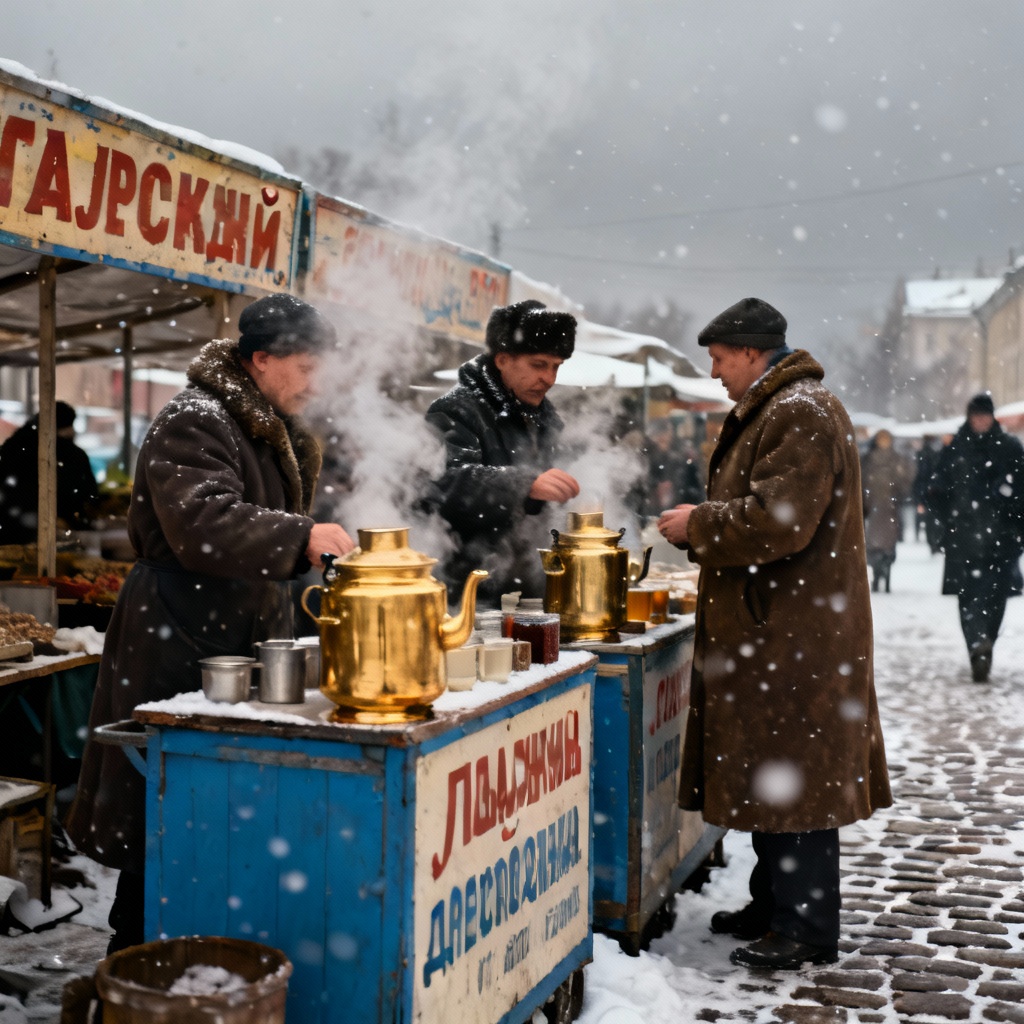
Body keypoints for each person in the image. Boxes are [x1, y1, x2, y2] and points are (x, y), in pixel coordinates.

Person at [66, 294, 356, 954]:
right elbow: (202, 523)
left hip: (234, 628)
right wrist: (300, 535)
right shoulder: (195, 419)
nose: (317, 384)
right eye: (307, 367)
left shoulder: (264, 424)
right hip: (179, 631)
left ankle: (204, 952)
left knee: (215, 812)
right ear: (262, 360)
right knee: (164, 811)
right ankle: (137, 964)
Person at [656, 297, 892, 970]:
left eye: (719, 359)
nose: (714, 372)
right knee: (770, 775)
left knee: (798, 782)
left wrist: (699, 524)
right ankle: (773, 904)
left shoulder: (800, 411)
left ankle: (806, 928)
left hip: (795, 636)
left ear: (752, 353)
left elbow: (780, 519)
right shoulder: (781, 407)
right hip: (777, 630)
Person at [425, 299, 580, 606]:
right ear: (503, 359)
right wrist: (522, 484)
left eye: (556, 367)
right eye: (539, 365)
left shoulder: (546, 420)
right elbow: (444, 484)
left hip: (529, 587)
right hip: (470, 592)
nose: (549, 379)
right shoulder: (455, 410)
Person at [927, 392, 1024, 683]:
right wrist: (945, 521)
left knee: (996, 598)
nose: (980, 420)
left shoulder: (1009, 448)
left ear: (992, 417)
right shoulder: (956, 447)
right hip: (964, 538)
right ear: (969, 417)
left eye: (984, 415)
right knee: (968, 597)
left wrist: (1014, 519)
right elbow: (937, 489)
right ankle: (976, 645)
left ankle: (986, 642)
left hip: (1002, 540)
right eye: (976, 415)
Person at [0, 400, 100, 542]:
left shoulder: (14, 446)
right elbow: (88, 494)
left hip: (10, 531)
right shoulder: (71, 454)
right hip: (50, 532)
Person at [861, 428, 913, 592]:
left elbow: (905, 481)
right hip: (873, 507)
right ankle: (877, 574)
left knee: (888, 545)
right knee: (874, 545)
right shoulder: (868, 459)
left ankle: (886, 573)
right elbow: (862, 480)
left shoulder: (897, 459)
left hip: (889, 507)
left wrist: (898, 495)